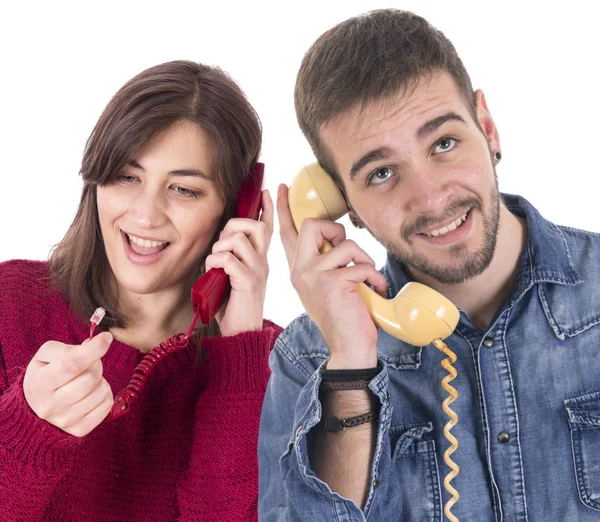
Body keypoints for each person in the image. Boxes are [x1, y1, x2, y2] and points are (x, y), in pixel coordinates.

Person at [258, 9, 600, 521]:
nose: (430, 197)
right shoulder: (309, 362)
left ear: (487, 127)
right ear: (340, 201)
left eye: (443, 143)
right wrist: (350, 367)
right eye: (380, 173)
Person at [0, 60, 281, 521]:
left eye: (184, 189)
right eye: (128, 178)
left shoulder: (276, 364)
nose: (146, 216)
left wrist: (240, 351)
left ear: (237, 210)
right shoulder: (11, 305)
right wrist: (29, 429)